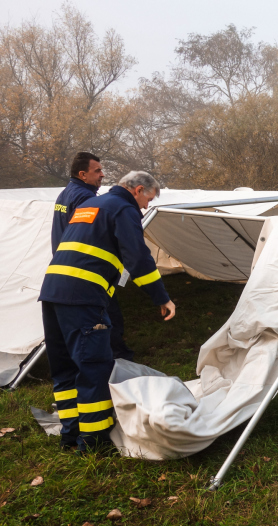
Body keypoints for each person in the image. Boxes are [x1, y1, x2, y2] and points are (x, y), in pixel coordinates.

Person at [39, 171, 176, 452]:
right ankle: (94, 443)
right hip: (83, 297)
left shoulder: (90, 205)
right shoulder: (124, 208)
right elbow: (137, 257)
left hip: (52, 292)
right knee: (94, 369)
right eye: (146, 200)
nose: (145, 208)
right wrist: (161, 297)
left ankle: (70, 437)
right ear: (137, 190)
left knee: (65, 370)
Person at [51, 152, 135, 361]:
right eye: (97, 170)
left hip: (66, 269)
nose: (102, 175)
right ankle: (118, 360)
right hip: (89, 272)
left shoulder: (66, 193)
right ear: (82, 174)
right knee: (107, 317)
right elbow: (94, 234)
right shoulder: (85, 198)